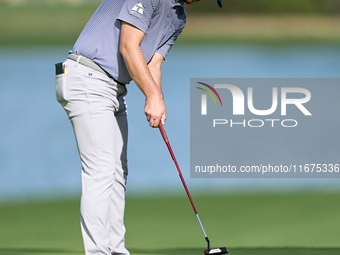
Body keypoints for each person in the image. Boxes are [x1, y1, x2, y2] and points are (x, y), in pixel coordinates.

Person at [55, 0, 221, 254]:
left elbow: (153, 65)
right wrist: (152, 96)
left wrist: (157, 98)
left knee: (118, 171)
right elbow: (128, 46)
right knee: (101, 170)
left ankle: (116, 250)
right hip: (87, 76)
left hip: (113, 88)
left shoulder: (179, 18)